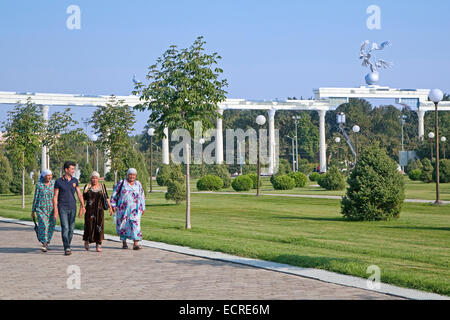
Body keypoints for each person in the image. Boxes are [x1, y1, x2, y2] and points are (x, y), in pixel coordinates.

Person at [53, 161, 86, 256]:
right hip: (62, 207)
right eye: (71, 169)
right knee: (65, 227)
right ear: (66, 170)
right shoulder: (58, 181)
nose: (73, 171)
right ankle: (67, 247)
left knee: (71, 229)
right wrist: (55, 209)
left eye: (73, 169)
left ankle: (68, 244)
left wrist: (83, 205)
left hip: (72, 207)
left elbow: (79, 193)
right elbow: (55, 196)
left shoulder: (75, 181)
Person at [110, 168, 146, 250]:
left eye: (134, 175)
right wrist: (113, 204)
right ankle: (124, 243)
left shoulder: (138, 184)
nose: (132, 176)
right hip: (123, 209)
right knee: (123, 225)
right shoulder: (122, 183)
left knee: (136, 225)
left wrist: (143, 207)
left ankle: (135, 243)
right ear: (127, 175)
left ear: (136, 176)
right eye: (130, 174)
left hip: (135, 210)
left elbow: (142, 196)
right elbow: (114, 194)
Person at [81, 171, 113, 252]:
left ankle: (98, 245)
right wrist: (82, 208)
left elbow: (107, 198)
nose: (94, 180)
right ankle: (87, 241)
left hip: (99, 211)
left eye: (96, 178)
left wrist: (110, 208)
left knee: (100, 227)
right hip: (89, 211)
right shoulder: (87, 187)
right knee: (89, 226)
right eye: (93, 178)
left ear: (98, 179)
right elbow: (83, 199)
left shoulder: (102, 186)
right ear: (91, 179)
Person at [31, 169, 56, 252]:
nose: (49, 177)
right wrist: (33, 210)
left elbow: (57, 195)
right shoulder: (39, 185)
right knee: (43, 225)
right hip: (41, 209)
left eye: (50, 175)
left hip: (51, 208)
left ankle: (47, 242)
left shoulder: (53, 184)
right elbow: (36, 197)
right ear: (44, 176)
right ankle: (44, 243)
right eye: (47, 175)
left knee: (51, 226)